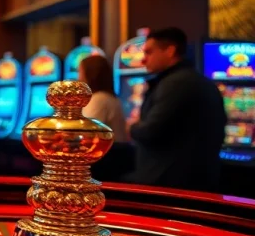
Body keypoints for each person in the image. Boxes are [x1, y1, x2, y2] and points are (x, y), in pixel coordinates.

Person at [127, 27, 226, 192]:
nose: (143, 60)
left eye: (149, 52)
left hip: (170, 186)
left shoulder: (175, 84)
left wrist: (132, 126)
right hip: (194, 182)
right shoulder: (196, 80)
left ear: (170, 51)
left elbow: (151, 131)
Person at [77, 55, 128, 142]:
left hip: (107, 153)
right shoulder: (111, 98)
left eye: (80, 72)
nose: (78, 78)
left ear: (91, 74)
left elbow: (87, 134)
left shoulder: (98, 99)